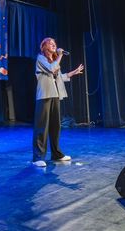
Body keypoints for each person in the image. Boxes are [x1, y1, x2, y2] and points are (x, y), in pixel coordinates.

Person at [32, 37, 84, 167]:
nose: (53, 45)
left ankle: (56, 154)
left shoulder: (54, 62)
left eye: (54, 43)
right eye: (50, 43)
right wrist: (60, 55)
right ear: (44, 47)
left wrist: (73, 73)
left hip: (55, 95)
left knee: (56, 126)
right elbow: (51, 69)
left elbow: (59, 77)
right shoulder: (40, 58)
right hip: (44, 95)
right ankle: (38, 157)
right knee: (42, 127)